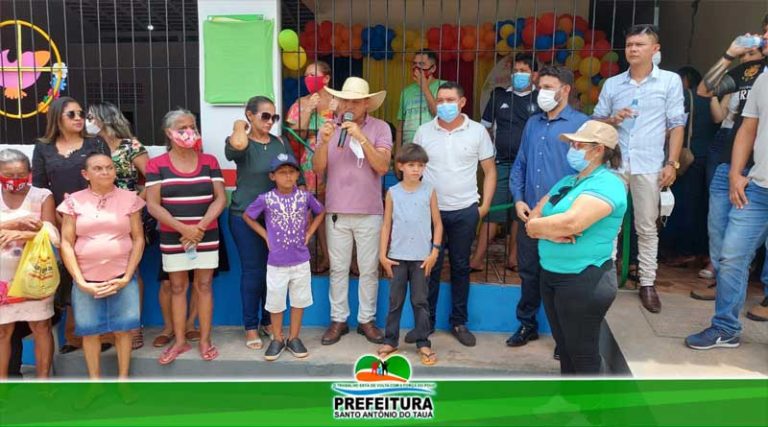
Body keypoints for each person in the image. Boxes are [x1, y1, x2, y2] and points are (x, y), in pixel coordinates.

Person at [593, 24, 686, 314]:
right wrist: (613, 118)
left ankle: (647, 282)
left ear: (655, 49)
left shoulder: (669, 82)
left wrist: (672, 162)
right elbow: (596, 122)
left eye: (640, 44)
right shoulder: (613, 84)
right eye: (630, 44)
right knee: (610, 223)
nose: (633, 49)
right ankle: (604, 279)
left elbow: (676, 125)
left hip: (649, 164)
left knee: (647, 226)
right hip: (616, 163)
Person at [525, 120, 627, 374]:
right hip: (552, 275)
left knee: (583, 354)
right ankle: (572, 405)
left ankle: (593, 414)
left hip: (584, 279)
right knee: (566, 348)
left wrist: (541, 228)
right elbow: (534, 216)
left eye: (578, 144)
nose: (572, 148)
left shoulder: (608, 183)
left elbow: (572, 222)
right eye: (572, 143)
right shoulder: (568, 182)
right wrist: (546, 231)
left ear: (599, 149)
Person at [686, 50, 768, 350]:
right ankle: (725, 328)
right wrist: (736, 172)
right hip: (758, 187)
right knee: (731, 255)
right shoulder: (763, 78)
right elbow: (748, 128)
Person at [508, 65, 589, 349]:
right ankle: (527, 324)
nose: (542, 92)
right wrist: (518, 199)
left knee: (562, 277)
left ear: (565, 90)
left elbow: (586, 174)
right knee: (529, 272)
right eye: (540, 86)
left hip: (562, 216)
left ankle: (562, 336)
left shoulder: (581, 125)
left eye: (548, 87)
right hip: (530, 214)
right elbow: (520, 165)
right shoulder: (533, 124)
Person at [413, 81, 497, 347]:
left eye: (450, 100)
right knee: (430, 268)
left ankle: (459, 322)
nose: (444, 105)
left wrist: (483, 207)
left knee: (461, 267)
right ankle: (425, 323)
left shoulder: (477, 132)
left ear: (462, 103)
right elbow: (414, 170)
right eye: (440, 100)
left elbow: (490, 171)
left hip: (465, 210)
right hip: (431, 212)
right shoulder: (424, 131)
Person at [313, 77, 392, 345]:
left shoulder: (380, 128)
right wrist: (323, 142)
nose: (349, 105)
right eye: (345, 100)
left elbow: (382, 166)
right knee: (338, 268)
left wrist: (362, 138)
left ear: (367, 103)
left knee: (369, 269)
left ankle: (366, 320)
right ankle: (338, 320)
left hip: (369, 211)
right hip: (337, 210)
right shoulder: (328, 128)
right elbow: (317, 168)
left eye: (356, 101)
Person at [146, 109, 226, 364]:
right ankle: (180, 342)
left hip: (206, 234)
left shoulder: (210, 161)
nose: (189, 132)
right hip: (173, 237)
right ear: (169, 133)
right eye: (182, 128)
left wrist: (199, 228)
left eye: (192, 126)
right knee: (177, 287)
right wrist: (184, 230)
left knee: (204, 286)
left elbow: (220, 198)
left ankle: (204, 339)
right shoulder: (156, 165)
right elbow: (153, 205)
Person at [31, 96, 109, 354]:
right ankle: (74, 335)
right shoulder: (43, 148)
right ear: (57, 119)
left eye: (81, 114)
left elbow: (105, 180)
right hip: (59, 220)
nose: (79, 118)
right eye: (72, 114)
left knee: (97, 272)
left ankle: (103, 333)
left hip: (94, 217)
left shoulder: (95, 143)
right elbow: (41, 189)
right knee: (69, 276)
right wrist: (55, 220)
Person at [58, 153, 145, 379]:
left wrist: (127, 276)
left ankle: (123, 380)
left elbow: (138, 239)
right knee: (90, 333)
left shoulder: (130, 199)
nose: (105, 172)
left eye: (109, 167)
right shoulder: (73, 201)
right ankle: (94, 384)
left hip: (122, 277)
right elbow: (67, 242)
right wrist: (79, 281)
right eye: (98, 168)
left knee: (123, 331)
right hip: (86, 279)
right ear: (86, 174)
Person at [227, 96, 300, 350]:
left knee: (274, 274)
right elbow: (236, 143)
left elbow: (292, 174)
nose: (270, 121)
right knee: (253, 272)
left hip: (276, 219)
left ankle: (269, 321)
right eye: (264, 116)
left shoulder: (280, 143)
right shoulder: (242, 142)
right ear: (250, 115)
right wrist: (239, 125)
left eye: (274, 117)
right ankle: (250, 326)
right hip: (244, 217)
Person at [243, 153, 325, 361]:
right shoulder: (266, 199)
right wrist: (266, 235)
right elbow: (248, 216)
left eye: (291, 172)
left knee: (299, 300)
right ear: (273, 176)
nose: (288, 177)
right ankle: (277, 338)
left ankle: (294, 337)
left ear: (297, 174)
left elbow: (321, 212)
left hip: (301, 260)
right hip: (277, 262)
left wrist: (309, 233)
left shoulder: (304, 197)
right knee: (276, 301)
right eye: (282, 173)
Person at [85, 101, 149, 350]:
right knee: (99, 269)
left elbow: (152, 178)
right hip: (96, 215)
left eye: (90, 116)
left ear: (104, 118)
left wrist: (134, 204)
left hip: (128, 214)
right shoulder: (89, 147)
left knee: (132, 270)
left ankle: (133, 327)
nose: (86, 120)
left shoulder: (130, 145)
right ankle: (106, 329)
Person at [471, 54, 540, 273]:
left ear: (535, 75)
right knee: (493, 212)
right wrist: (487, 158)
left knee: (521, 214)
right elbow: (484, 128)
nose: (519, 75)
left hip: (529, 167)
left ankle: (514, 258)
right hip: (500, 163)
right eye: (516, 70)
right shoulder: (498, 96)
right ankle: (476, 260)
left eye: (524, 70)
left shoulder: (540, 100)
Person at [377, 144, 442, 365]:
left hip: (422, 258)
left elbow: (438, 223)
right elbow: (386, 225)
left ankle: (423, 342)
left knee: (420, 301)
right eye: (412, 165)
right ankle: (390, 340)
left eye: (421, 165)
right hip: (396, 257)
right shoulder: (392, 193)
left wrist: (435, 251)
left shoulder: (429, 190)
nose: (416, 169)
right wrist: (382, 255)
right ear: (400, 166)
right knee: (395, 301)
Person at [0, 149, 59, 378]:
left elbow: (50, 230)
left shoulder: (42, 195)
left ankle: (43, 384)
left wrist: (23, 234)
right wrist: (18, 223)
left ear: (30, 173)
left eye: (21, 174)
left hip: (36, 274)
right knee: (3, 331)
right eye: (9, 175)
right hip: (2, 277)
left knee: (41, 327)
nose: (15, 180)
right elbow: (36, 226)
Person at [660, 67, 718, 269]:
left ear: (685, 81)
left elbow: (672, 128)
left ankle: (682, 251)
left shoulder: (686, 98)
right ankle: (697, 250)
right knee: (699, 206)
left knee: (681, 206)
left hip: (687, 160)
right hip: (705, 158)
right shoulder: (713, 99)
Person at [286, 61, 335, 273]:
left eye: (313, 75)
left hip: (337, 159)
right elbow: (296, 136)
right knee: (314, 210)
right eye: (306, 75)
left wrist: (335, 113)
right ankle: (318, 257)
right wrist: (308, 110)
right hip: (310, 162)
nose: (309, 79)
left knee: (335, 210)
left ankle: (341, 259)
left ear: (326, 78)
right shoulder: (301, 103)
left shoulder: (339, 101)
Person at [395, 50, 444, 154]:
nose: (416, 67)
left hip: (434, 149)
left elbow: (441, 116)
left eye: (421, 64)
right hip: (409, 150)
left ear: (433, 68)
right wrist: (397, 155)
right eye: (414, 64)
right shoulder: (406, 92)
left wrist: (425, 87)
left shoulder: (444, 87)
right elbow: (400, 127)